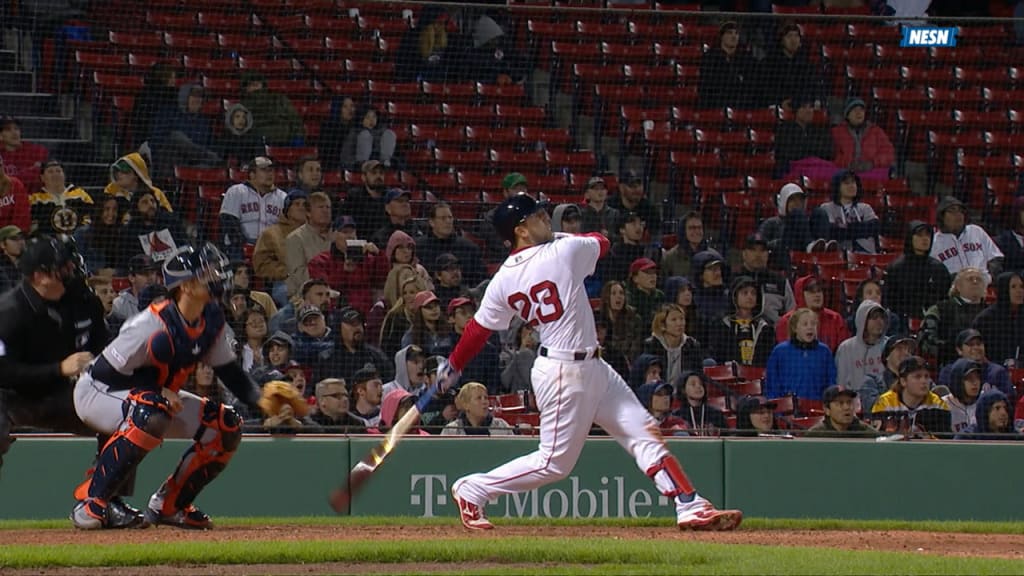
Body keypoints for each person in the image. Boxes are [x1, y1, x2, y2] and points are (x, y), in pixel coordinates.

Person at [438, 194, 742, 531]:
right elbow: (603, 242)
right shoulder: (562, 250)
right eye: (538, 215)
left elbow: (478, 330)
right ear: (521, 229)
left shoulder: (502, 279)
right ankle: (473, 488)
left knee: (642, 429)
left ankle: (688, 503)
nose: (545, 219)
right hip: (563, 373)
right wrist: (564, 237)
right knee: (554, 464)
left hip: (592, 365)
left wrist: (453, 365)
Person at [70, 243, 263, 530]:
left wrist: (264, 400)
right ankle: (92, 503)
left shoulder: (211, 317)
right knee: (151, 410)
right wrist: (156, 389)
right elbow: (105, 372)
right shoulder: (150, 323)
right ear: (184, 286)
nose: (217, 277)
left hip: (152, 398)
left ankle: (170, 505)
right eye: (206, 273)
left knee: (226, 425)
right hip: (96, 392)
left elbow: (229, 372)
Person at [0, 237, 108, 506]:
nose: (69, 273)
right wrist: (59, 369)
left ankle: (103, 501)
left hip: (62, 395)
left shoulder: (83, 301)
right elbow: (3, 373)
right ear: (39, 276)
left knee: (119, 420)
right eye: (62, 268)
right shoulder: (9, 311)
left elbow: (104, 349)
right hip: (10, 396)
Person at [884, 220, 952, 330]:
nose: (925, 239)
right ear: (910, 238)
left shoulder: (939, 268)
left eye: (928, 235)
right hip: (902, 325)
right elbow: (890, 302)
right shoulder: (896, 268)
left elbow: (945, 300)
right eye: (920, 235)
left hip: (934, 324)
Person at [765, 307, 836, 402]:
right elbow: (772, 384)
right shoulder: (780, 351)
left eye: (813, 324)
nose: (810, 327)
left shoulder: (824, 351)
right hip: (787, 410)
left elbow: (831, 383)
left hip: (818, 408)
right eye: (805, 324)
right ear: (795, 328)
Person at [870, 355, 951, 439]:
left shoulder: (938, 405)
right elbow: (878, 439)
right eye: (917, 377)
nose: (924, 381)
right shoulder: (884, 403)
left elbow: (945, 441)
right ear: (903, 381)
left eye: (926, 376)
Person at [930, 196, 1003, 284]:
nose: (958, 214)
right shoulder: (934, 242)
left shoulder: (976, 231)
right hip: (953, 291)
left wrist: (989, 277)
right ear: (942, 216)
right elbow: (934, 276)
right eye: (952, 210)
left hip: (984, 288)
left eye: (961, 211)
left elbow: (996, 258)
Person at [831, 98, 895, 181]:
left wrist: (872, 163)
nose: (859, 113)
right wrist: (849, 163)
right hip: (846, 172)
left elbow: (889, 154)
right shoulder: (836, 132)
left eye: (861, 110)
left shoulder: (876, 131)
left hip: (871, 172)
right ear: (847, 115)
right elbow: (833, 155)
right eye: (854, 110)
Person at [440, 381, 515, 436]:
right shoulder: (451, 430)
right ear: (466, 405)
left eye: (486, 398)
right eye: (479, 398)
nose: (485, 402)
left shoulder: (501, 426)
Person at [804, 385, 878, 438]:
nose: (847, 407)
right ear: (827, 410)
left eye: (849, 402)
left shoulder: (866, 433)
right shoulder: (816, 435)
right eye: (840, 403)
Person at [671, 371, 727, 436]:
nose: (698, 386)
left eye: (701, 384)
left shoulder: (716, 414)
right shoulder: (677, 415)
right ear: (683, 390)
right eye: (693, 384)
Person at [942, 358, 983, 435]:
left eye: (977, 378)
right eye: (969, 378)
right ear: (958, 381)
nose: (975, 383)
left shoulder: (983, 403)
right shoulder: (943, 405)